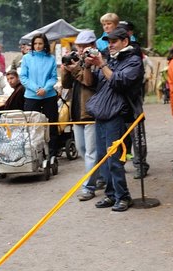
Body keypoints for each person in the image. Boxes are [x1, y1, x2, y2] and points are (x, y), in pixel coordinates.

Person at [84, 25, 143, 212]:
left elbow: (119, 82)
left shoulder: (134, 61)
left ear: (125, 41)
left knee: (115, 159)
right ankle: (111, 195)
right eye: (108, 42)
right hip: (101, 113)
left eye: (114, 41)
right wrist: (86, 65)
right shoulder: (110, 59)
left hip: (118, 115)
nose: (110, 45)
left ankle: (123, 196)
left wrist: (102, 64)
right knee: (102, 158)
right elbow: (91, 83)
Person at [62, 29, 100, 201]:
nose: (81, 49)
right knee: (82, 149)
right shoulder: (77, 59)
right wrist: (65, 68)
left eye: (85, 45)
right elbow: (66, 84)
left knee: (91, 151)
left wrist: (77, 67)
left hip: (91, 111)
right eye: (79, 45)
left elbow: (89, 81)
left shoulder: (96, 60)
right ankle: (99, 177)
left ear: (92, 45)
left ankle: (88, 187)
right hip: (76, 111)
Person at [19, 33, 62, 157]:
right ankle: (34, 154)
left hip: (49, 96)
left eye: (40, 43)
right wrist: (36, 88)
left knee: (51, 125)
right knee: (32, 126)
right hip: (31, 96)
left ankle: (53, 154)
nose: (37, 46)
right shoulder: (27, 58)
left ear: (45, 45)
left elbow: (53, 77)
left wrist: (45, 89)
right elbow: (23, 77)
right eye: (35, 43)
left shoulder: (51, 58)